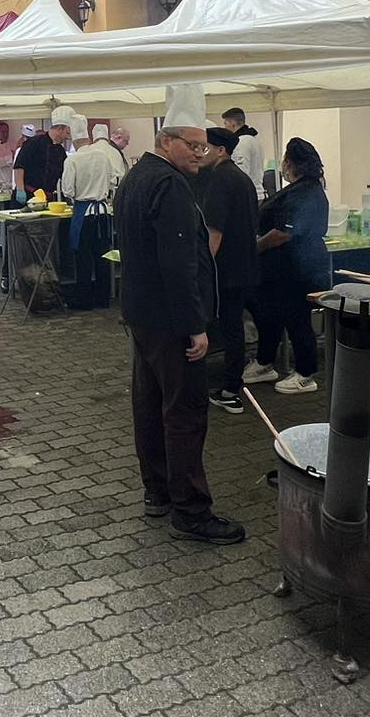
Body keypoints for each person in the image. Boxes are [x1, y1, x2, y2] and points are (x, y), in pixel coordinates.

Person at [114, 84, 243, 546]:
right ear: (166, 140)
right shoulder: (169, 185)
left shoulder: (135, 178)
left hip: (142, 314)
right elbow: (179, 263)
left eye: (203, 147)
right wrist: (196, 326)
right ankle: (191, 511)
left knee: (149, 406)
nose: (199, 155)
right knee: (184, 411)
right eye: (192, 146)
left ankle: (158, 491)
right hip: (171, 320)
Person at [248, 138, 333, 394]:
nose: (283, 165)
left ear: (291, 164)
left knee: (297, 319)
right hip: (280, 269)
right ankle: (264, 361)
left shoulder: (306, 193)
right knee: (269, 314)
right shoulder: (301, 189)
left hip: (298, 268)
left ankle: (306, 374)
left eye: (285, 160)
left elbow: (283, 233)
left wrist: (255, 248)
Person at [196, 127, 260, 413]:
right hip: (244, 265)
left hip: (225, 269)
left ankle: (230, 390)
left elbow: (214, 232)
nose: (200, 153)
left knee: (229, 328)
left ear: (221, 150)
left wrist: (202, 268)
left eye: (205, 148)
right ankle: (232, 384)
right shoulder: (242, 179)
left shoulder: (219, 180)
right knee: (234, 326)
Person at [60, 122, 127, 204]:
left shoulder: (73, 159)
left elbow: (68, 191)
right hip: (106, 202)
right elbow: (115, 180)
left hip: (82, 205)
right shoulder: (114, 153)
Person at [14, 111, 70, 199]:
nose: (68, 138)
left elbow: (65, 174)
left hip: (47, 197)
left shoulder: (60, 151)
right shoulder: (33, 143)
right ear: (59, 129)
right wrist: (20, 189)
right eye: (67, 133)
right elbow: (19, 167)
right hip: (28, 194)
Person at [221, 107, 265, 196]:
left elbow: (241, 172)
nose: (225, 128)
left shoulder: (241, 142)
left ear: (233, 124)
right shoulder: (254, 140)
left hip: (247, 194)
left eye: (225, 124)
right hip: (257, 191)